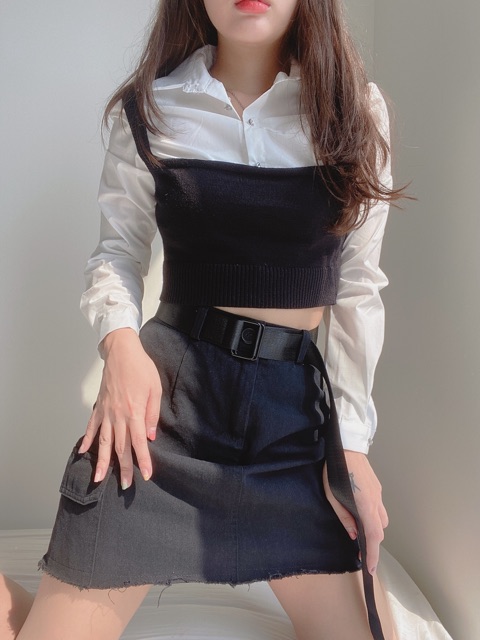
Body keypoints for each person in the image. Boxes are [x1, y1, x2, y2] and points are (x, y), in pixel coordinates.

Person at [1, 1, 404, 638]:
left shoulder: (356, 110)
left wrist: (351, 446)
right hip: (165, 411)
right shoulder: (150, 107)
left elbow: (358, 288)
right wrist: (121, 347)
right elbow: (117, 253)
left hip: (292, 425)